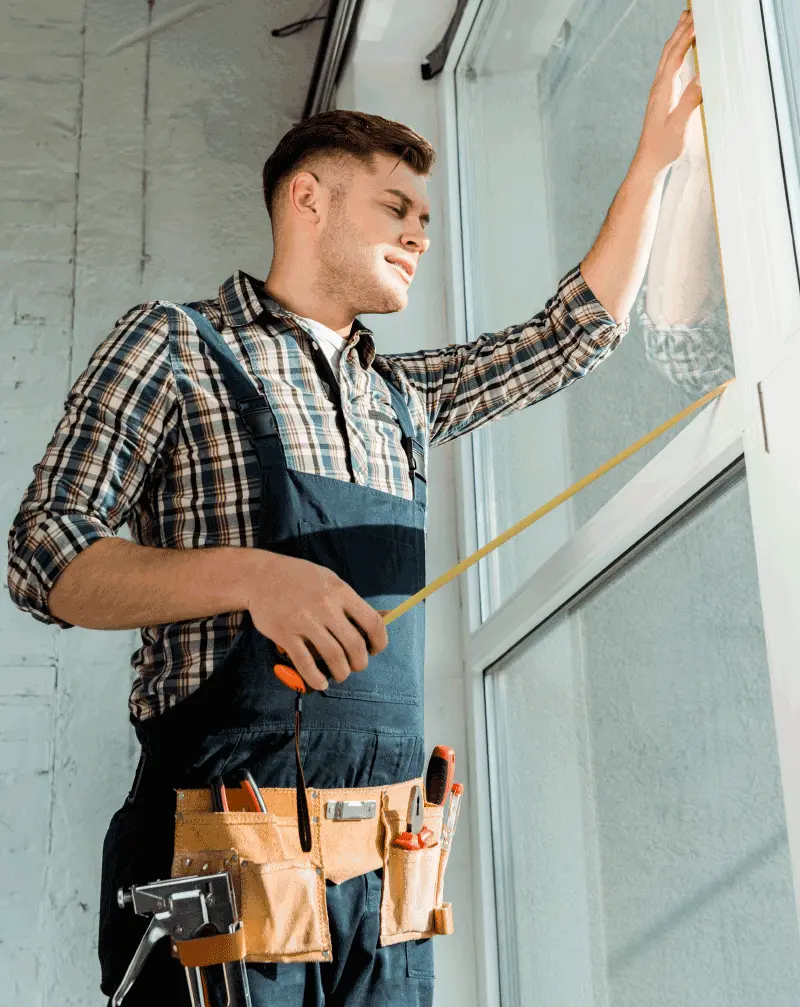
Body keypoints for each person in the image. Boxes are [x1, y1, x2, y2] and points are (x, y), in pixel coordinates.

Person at [6, 10, 702, 1006]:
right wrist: (254, 574)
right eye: (395, 208)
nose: (420, 233)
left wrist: (652, 158)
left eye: (424, 216)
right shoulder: (174, 347)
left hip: (380, 880)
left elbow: (568, 337)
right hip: (223, 873)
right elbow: (44, 555)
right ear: (308, 200)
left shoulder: (399, 398)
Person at [636, 48, 736, 398]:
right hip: (676, 341)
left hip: (691, 343)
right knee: (691, 165)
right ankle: (694, 42)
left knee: (693, 165)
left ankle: (695, 41)